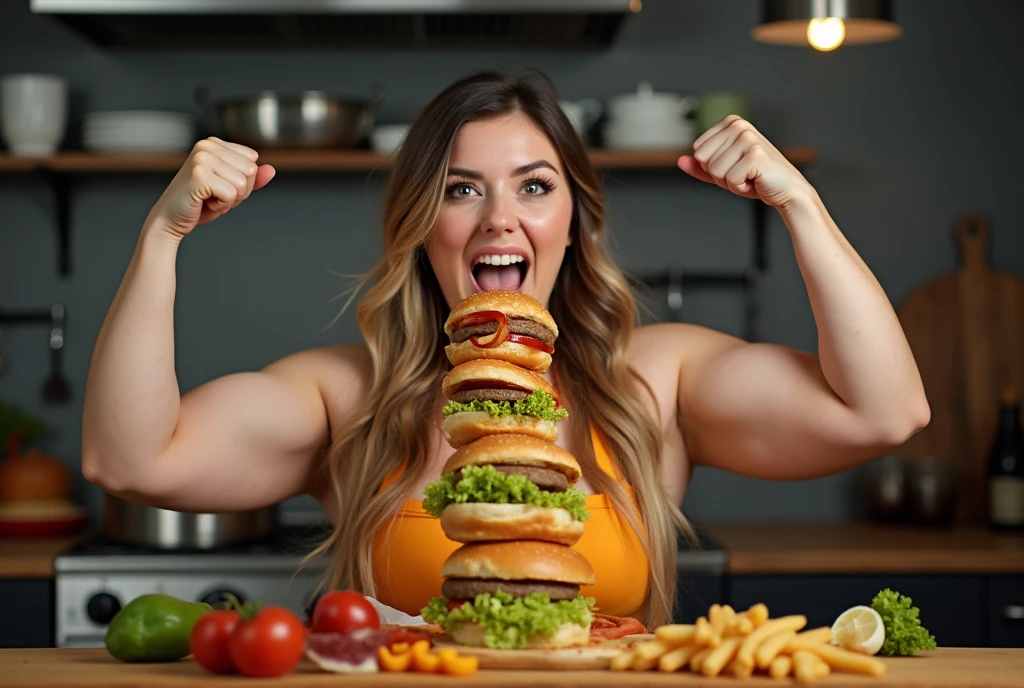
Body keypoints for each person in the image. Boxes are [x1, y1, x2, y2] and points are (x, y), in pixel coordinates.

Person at [81, 69, 929, 628]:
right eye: (461, 189)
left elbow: (885, 410)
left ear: (572, 219)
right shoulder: (350, 396)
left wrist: (799, 205)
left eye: (534, 185)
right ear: (422, 227)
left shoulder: (653, 381)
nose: (500, 219)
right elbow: (130, 458)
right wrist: (163, 235)